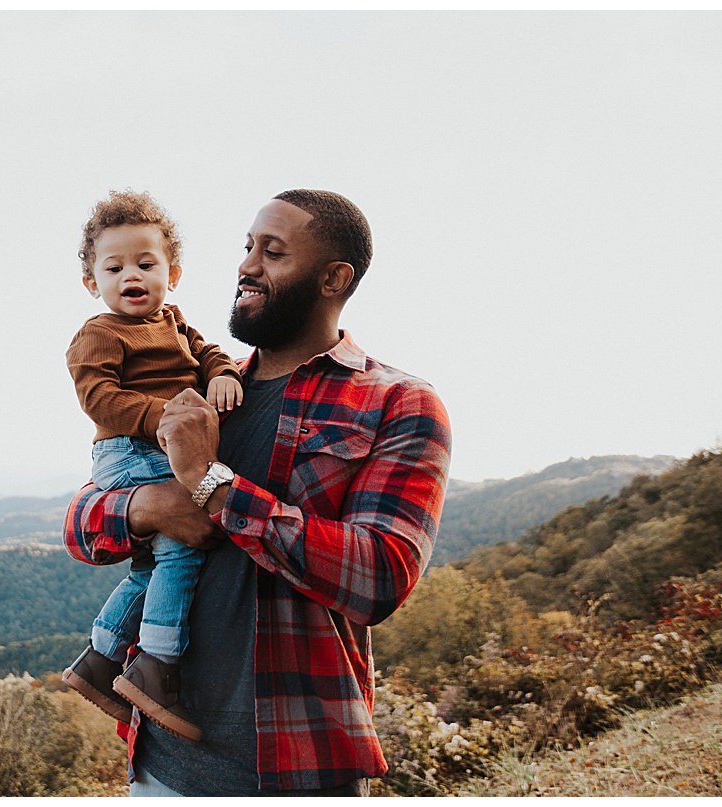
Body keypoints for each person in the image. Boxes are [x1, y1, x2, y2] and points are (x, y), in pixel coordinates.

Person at [63, 189, 452, 797]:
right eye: (247, 247)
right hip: (160, 766)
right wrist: (145, 507)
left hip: (296, 769)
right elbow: (82, 524)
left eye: (272, 253)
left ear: (333, 278)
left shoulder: (398, 404)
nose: (246, 266)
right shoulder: (206, 392)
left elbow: (379, 575)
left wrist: (210, 486)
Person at [61, 190, 244, 744]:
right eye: (114, 267)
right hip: (130, 450)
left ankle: (101, 656)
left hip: (165, 446)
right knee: (183, 547)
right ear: (93, 282)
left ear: (174, 272)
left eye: (146, 264)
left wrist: (222, 374)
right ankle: (156, 665)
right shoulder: (101, 333)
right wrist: (167, 417)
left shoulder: (173, 321)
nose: (130, 276)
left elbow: (206, 349)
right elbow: (100, 400)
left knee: (149, 568)